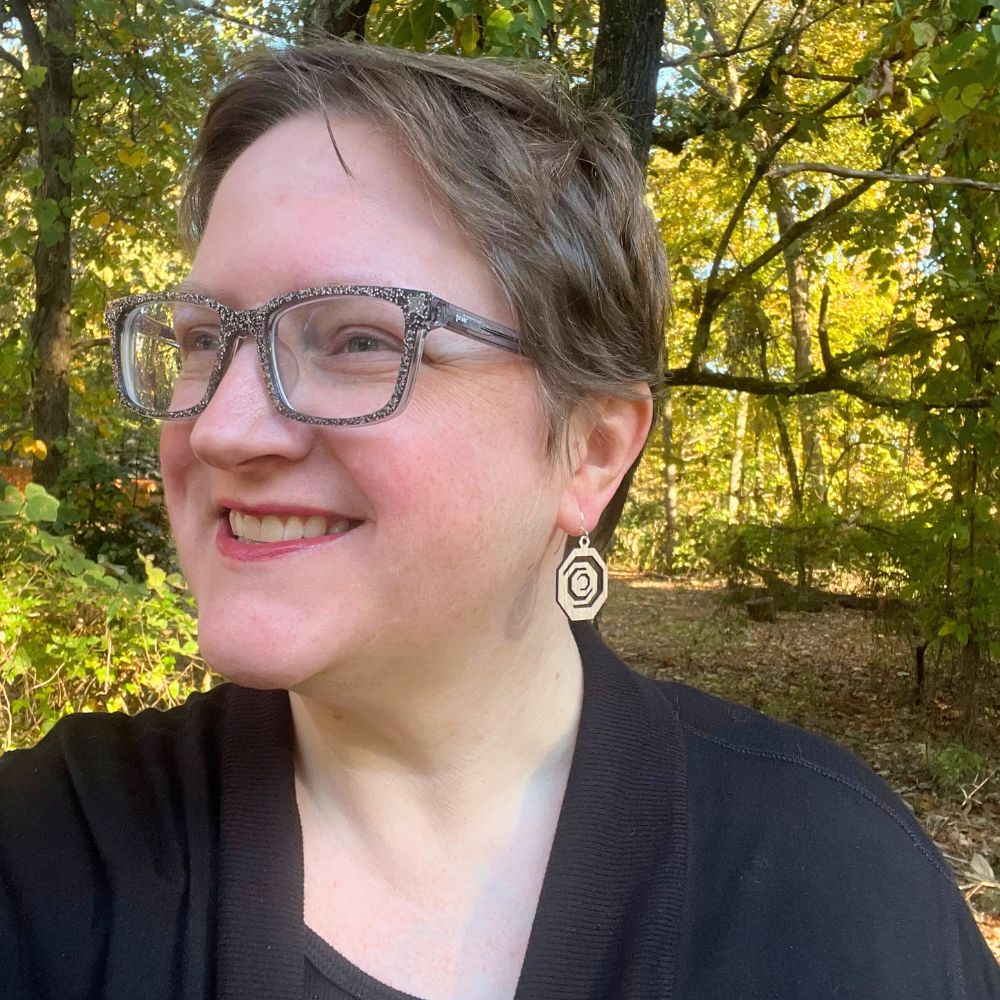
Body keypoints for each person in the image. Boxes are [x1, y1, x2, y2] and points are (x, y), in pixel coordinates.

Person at [1, 39, 998, 1000]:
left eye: (354, 339)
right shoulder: (48, 856)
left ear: (592, 450)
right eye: (204, 338)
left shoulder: (831, 884)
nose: (220, 426)